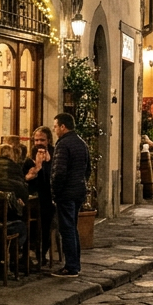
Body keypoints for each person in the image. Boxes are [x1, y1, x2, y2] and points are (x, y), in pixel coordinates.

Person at [50, 113, 89, 278]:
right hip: (78, 191)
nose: (54, 130)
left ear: (63, 127)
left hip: (66, 192)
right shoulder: (81, 143)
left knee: (67, 229)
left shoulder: (63, 145)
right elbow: (88, 170)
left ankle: (71, 266)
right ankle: (75, 263)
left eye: (55, 126)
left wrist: (55, 191)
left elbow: (59, 172)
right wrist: (81, 183)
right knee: (72, 228)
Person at [0, 143, 29, 251]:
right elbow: (23, 195)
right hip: (7, 224)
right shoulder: (15, 169)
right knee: (22, 227)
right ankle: (11, 257)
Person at [24, 126, 56, 266]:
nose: (38, 143)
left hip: (48, 198)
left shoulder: (55, 155)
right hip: (31, 198)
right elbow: (25, 177)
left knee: (45, 223)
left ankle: (42, 253)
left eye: (42, 140)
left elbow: (54, 177)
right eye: (36, 140)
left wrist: (46, 164)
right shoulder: (29, 157)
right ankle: (28, 254)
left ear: (48, 140)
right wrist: (35, 169)